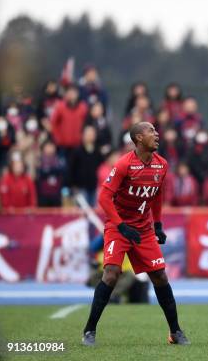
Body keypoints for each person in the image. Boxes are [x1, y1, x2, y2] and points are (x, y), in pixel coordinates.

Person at [81, 122, 189, 346]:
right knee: (111, 273)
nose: (157, 134)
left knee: (160, 276)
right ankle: (89, 331)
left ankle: (176, 332)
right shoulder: (124, 165)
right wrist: (120, 226)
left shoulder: (162, 165)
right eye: (151, 131)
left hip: (143, 229)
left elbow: (157, 195)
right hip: (118, 228)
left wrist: (157, 224)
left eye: (156, 131)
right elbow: (103, 198)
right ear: (138, 138)